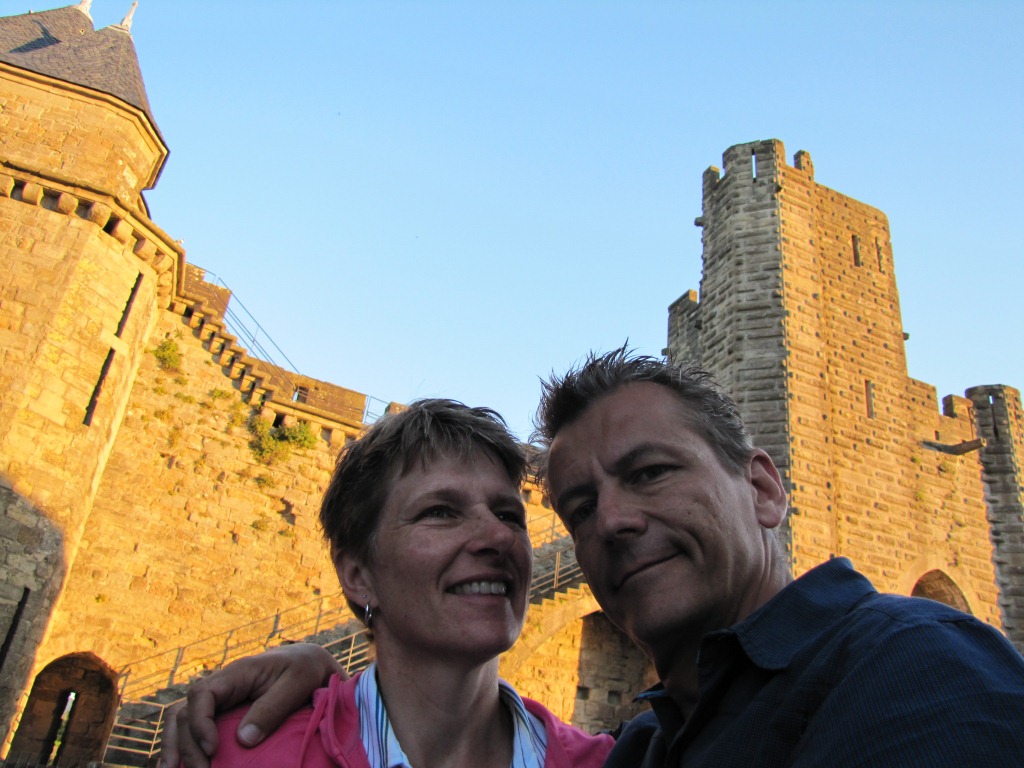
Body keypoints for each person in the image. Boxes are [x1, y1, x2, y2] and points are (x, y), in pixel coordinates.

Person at [164, 350, 1024, 767]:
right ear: (358, 573)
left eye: (650, 473)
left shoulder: (912, 664)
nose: (611, 521)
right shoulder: (639, 754)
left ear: (765, 489)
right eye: (577, 507)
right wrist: (328, 677)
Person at [169, 399, 613, 768]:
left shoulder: (609, 761)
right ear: (358, 575)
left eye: (509, 515)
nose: (499, 536)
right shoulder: (235, 754)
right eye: (440, 512)